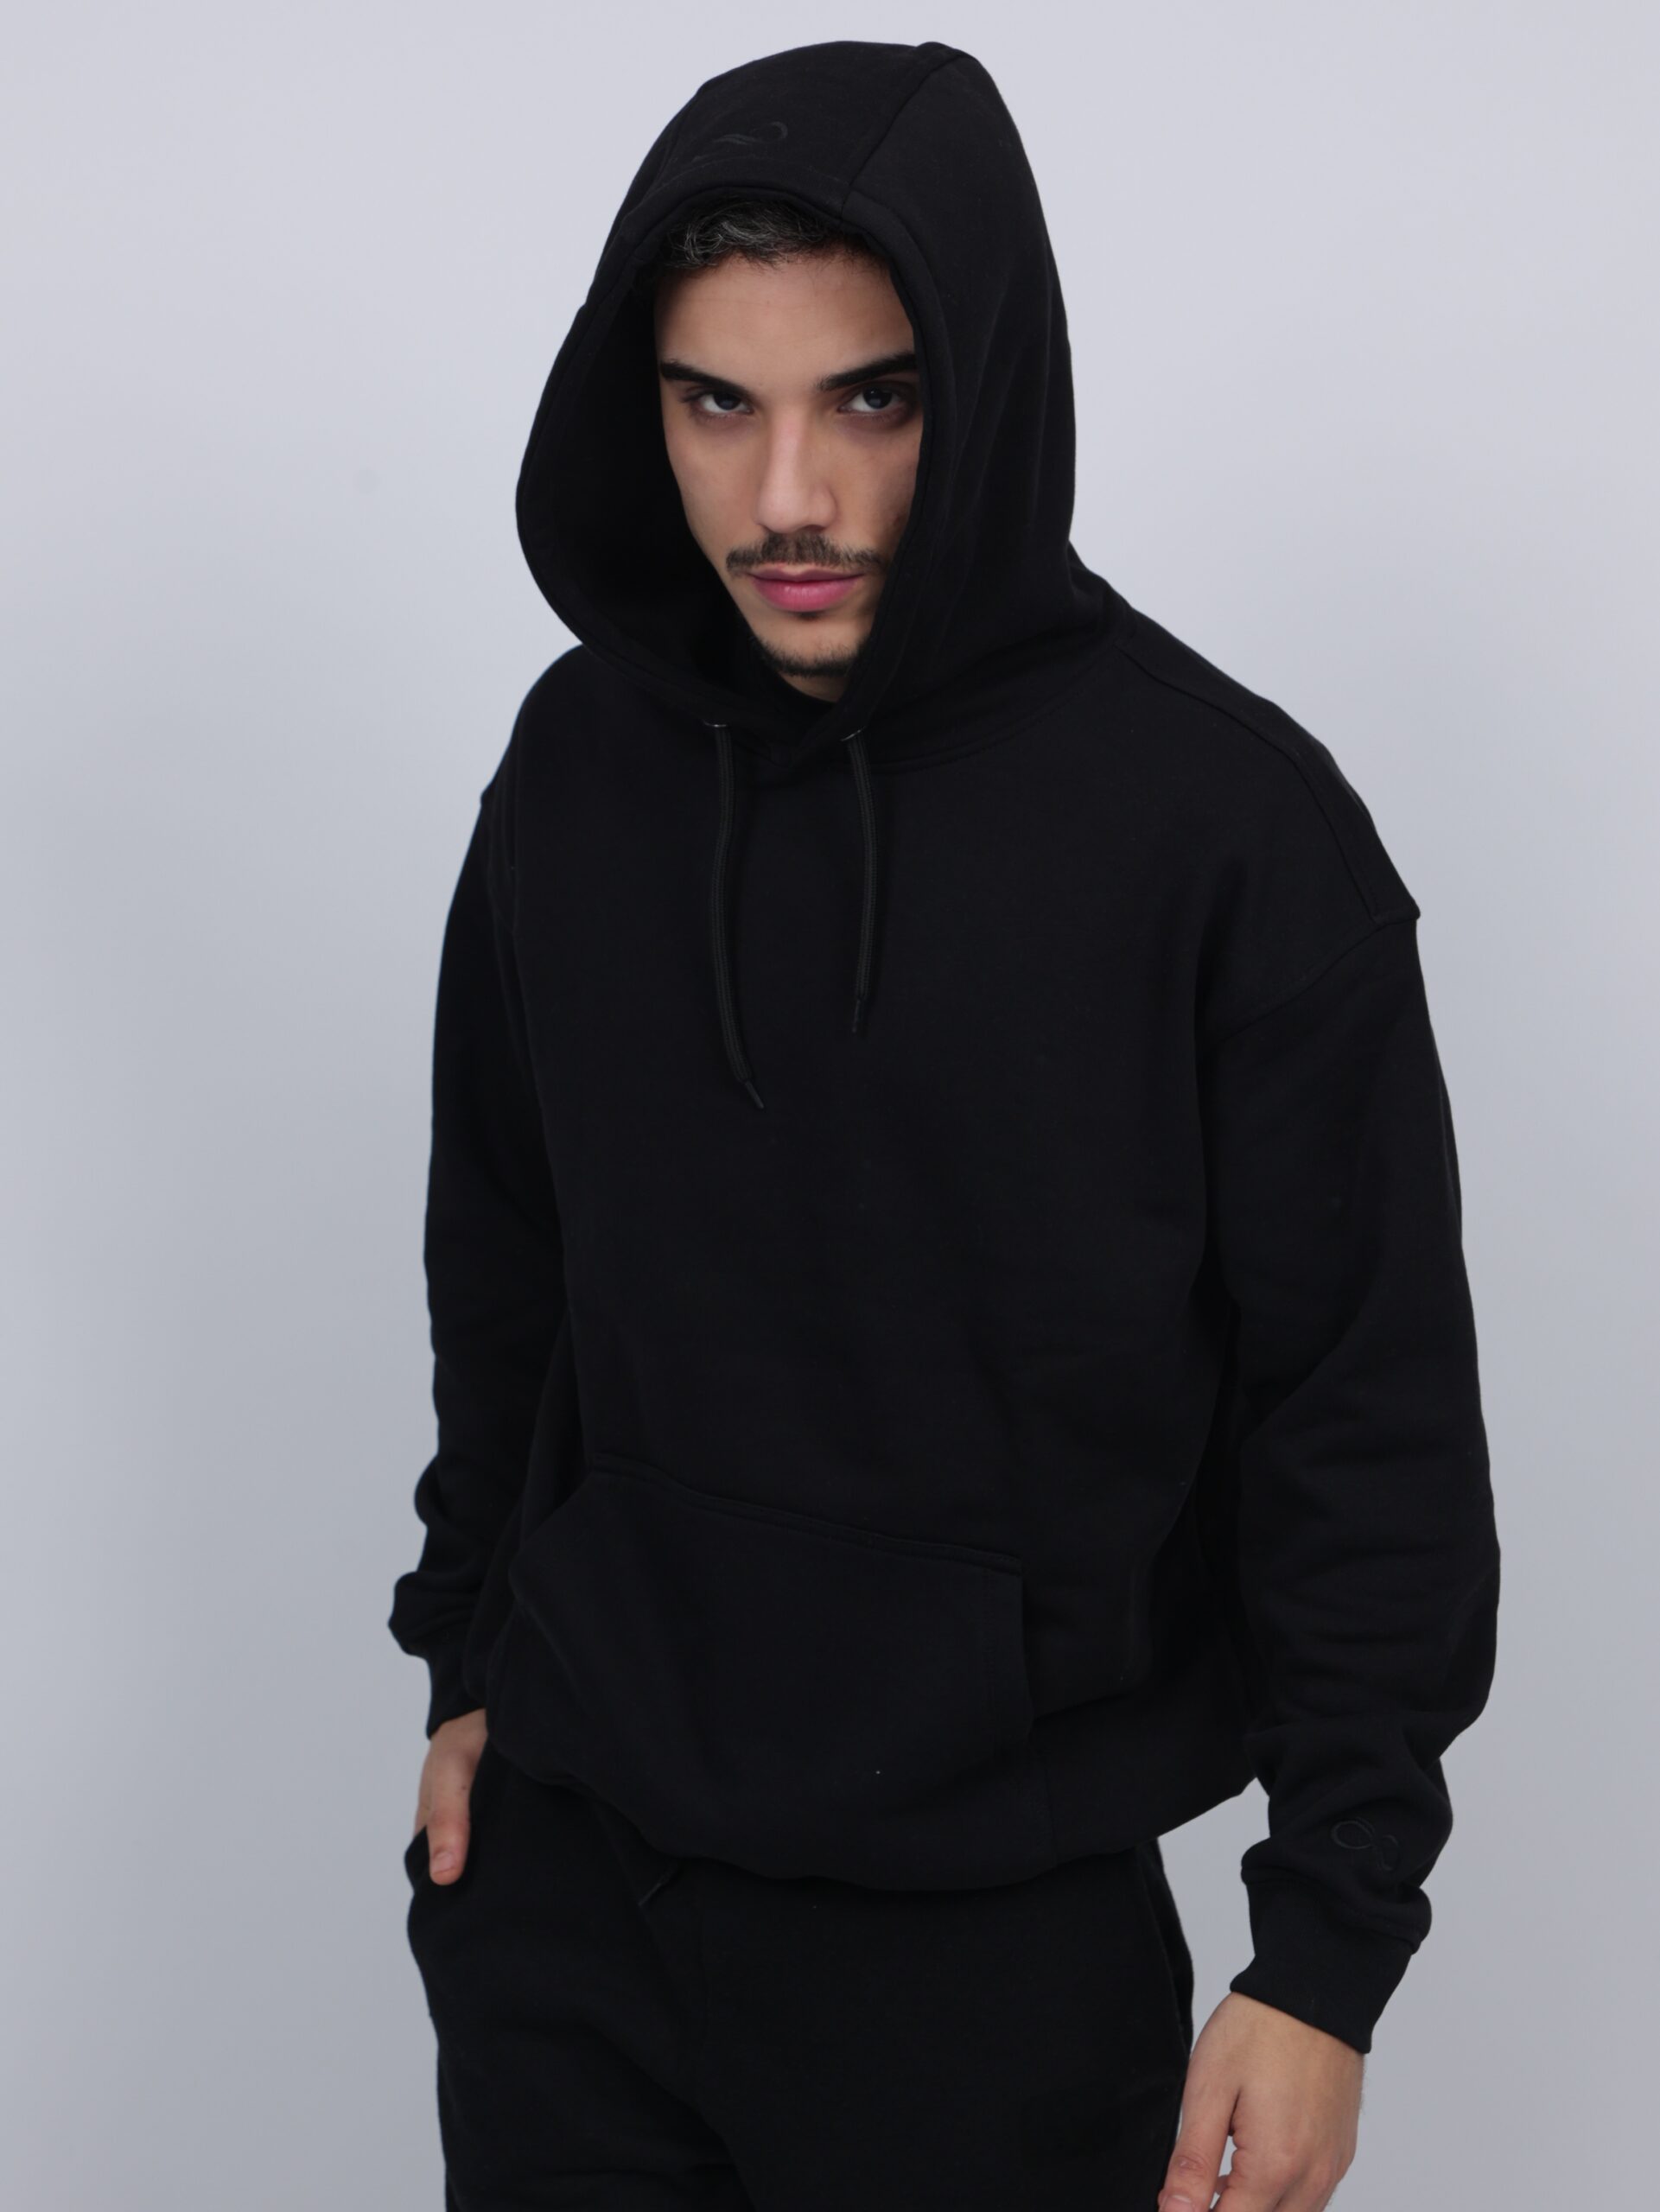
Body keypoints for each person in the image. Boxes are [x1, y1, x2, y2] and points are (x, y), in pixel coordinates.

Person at [388, 37, 1500, 2212]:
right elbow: (507, 1258)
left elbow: (1358, 1415)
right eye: (718, 403)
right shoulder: (580, 766)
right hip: (570, 1900)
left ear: (982, 387)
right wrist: (470, 1660)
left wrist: (1326, 1950)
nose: (787, 496)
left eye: (871, 400)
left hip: (991, 1945)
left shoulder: (1226, 836)